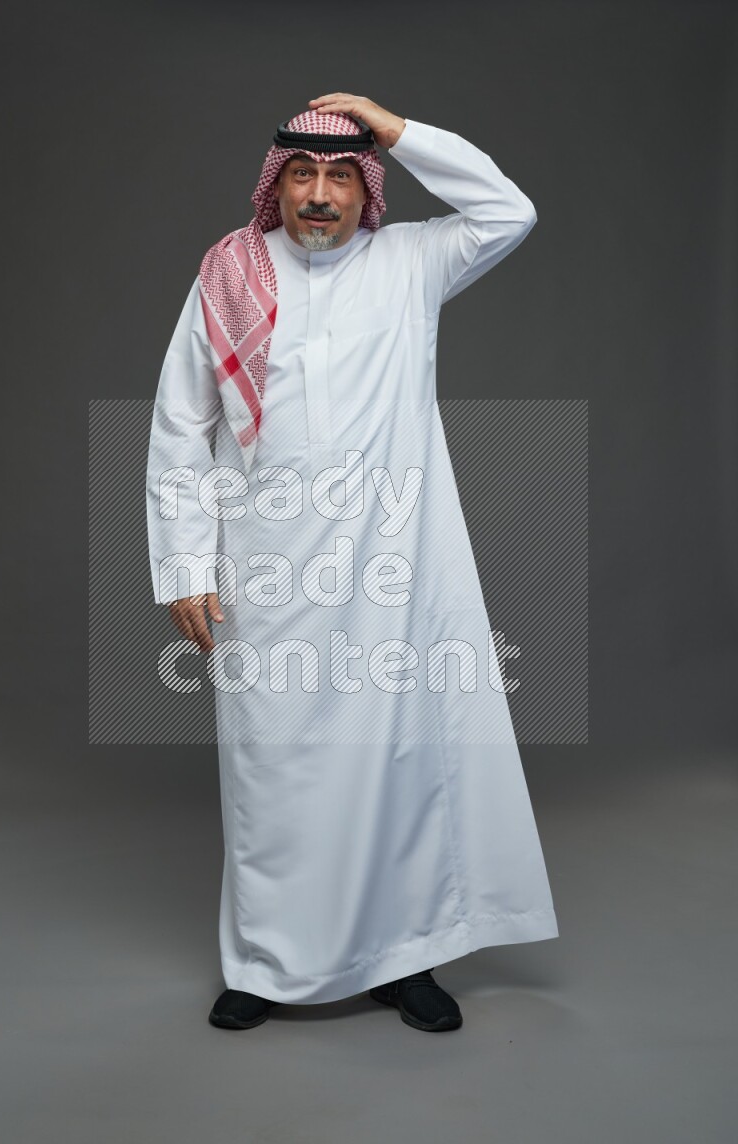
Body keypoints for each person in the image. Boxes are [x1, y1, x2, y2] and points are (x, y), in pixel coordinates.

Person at [146, 93, 559, 1033]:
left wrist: (396, 128)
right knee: (272, 769)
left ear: (367, 187)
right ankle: (263, 963)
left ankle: (406, 957)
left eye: (340, 176)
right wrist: (185, 565)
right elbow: (180, 425)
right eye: (303, 175)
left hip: (391, 568)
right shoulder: (229, 276)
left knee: (398, 762)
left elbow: (509, 211)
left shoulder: (410, 261)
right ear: (277, 184)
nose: (320, 196)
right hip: (266, 568)